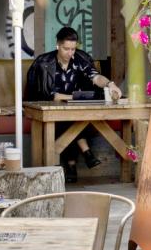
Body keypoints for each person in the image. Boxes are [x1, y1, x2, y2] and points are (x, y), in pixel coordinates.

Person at [25, 26, 121, 182]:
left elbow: (95, 77)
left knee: (73, 118)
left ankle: (71, 165)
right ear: (57, 45)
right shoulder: (44, 63)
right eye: (66, 49)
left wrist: (110, 84)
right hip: (50, 109)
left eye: (73, 49)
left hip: (72, 109)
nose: (70, 53)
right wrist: (72, 97)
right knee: (66, 120)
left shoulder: (79, 59)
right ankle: (84, 153)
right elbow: (49, 95)